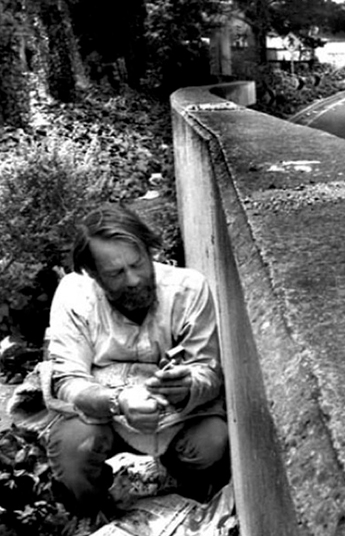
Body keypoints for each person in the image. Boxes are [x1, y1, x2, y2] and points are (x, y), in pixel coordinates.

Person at [44, 203, 229, 518]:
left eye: (138, 263)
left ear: (148, 250)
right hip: (103, 415)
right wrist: (118, 401)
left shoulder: (189, 288)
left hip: (176, 417)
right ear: (92, 274)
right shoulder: (74, 294)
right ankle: (91, 513)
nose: (132, 280)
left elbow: (208, 372)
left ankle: (178, 480)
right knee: (73, 456)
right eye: (115, 273)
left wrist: (187, 387)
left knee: (213, 442)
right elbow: (66, 381)